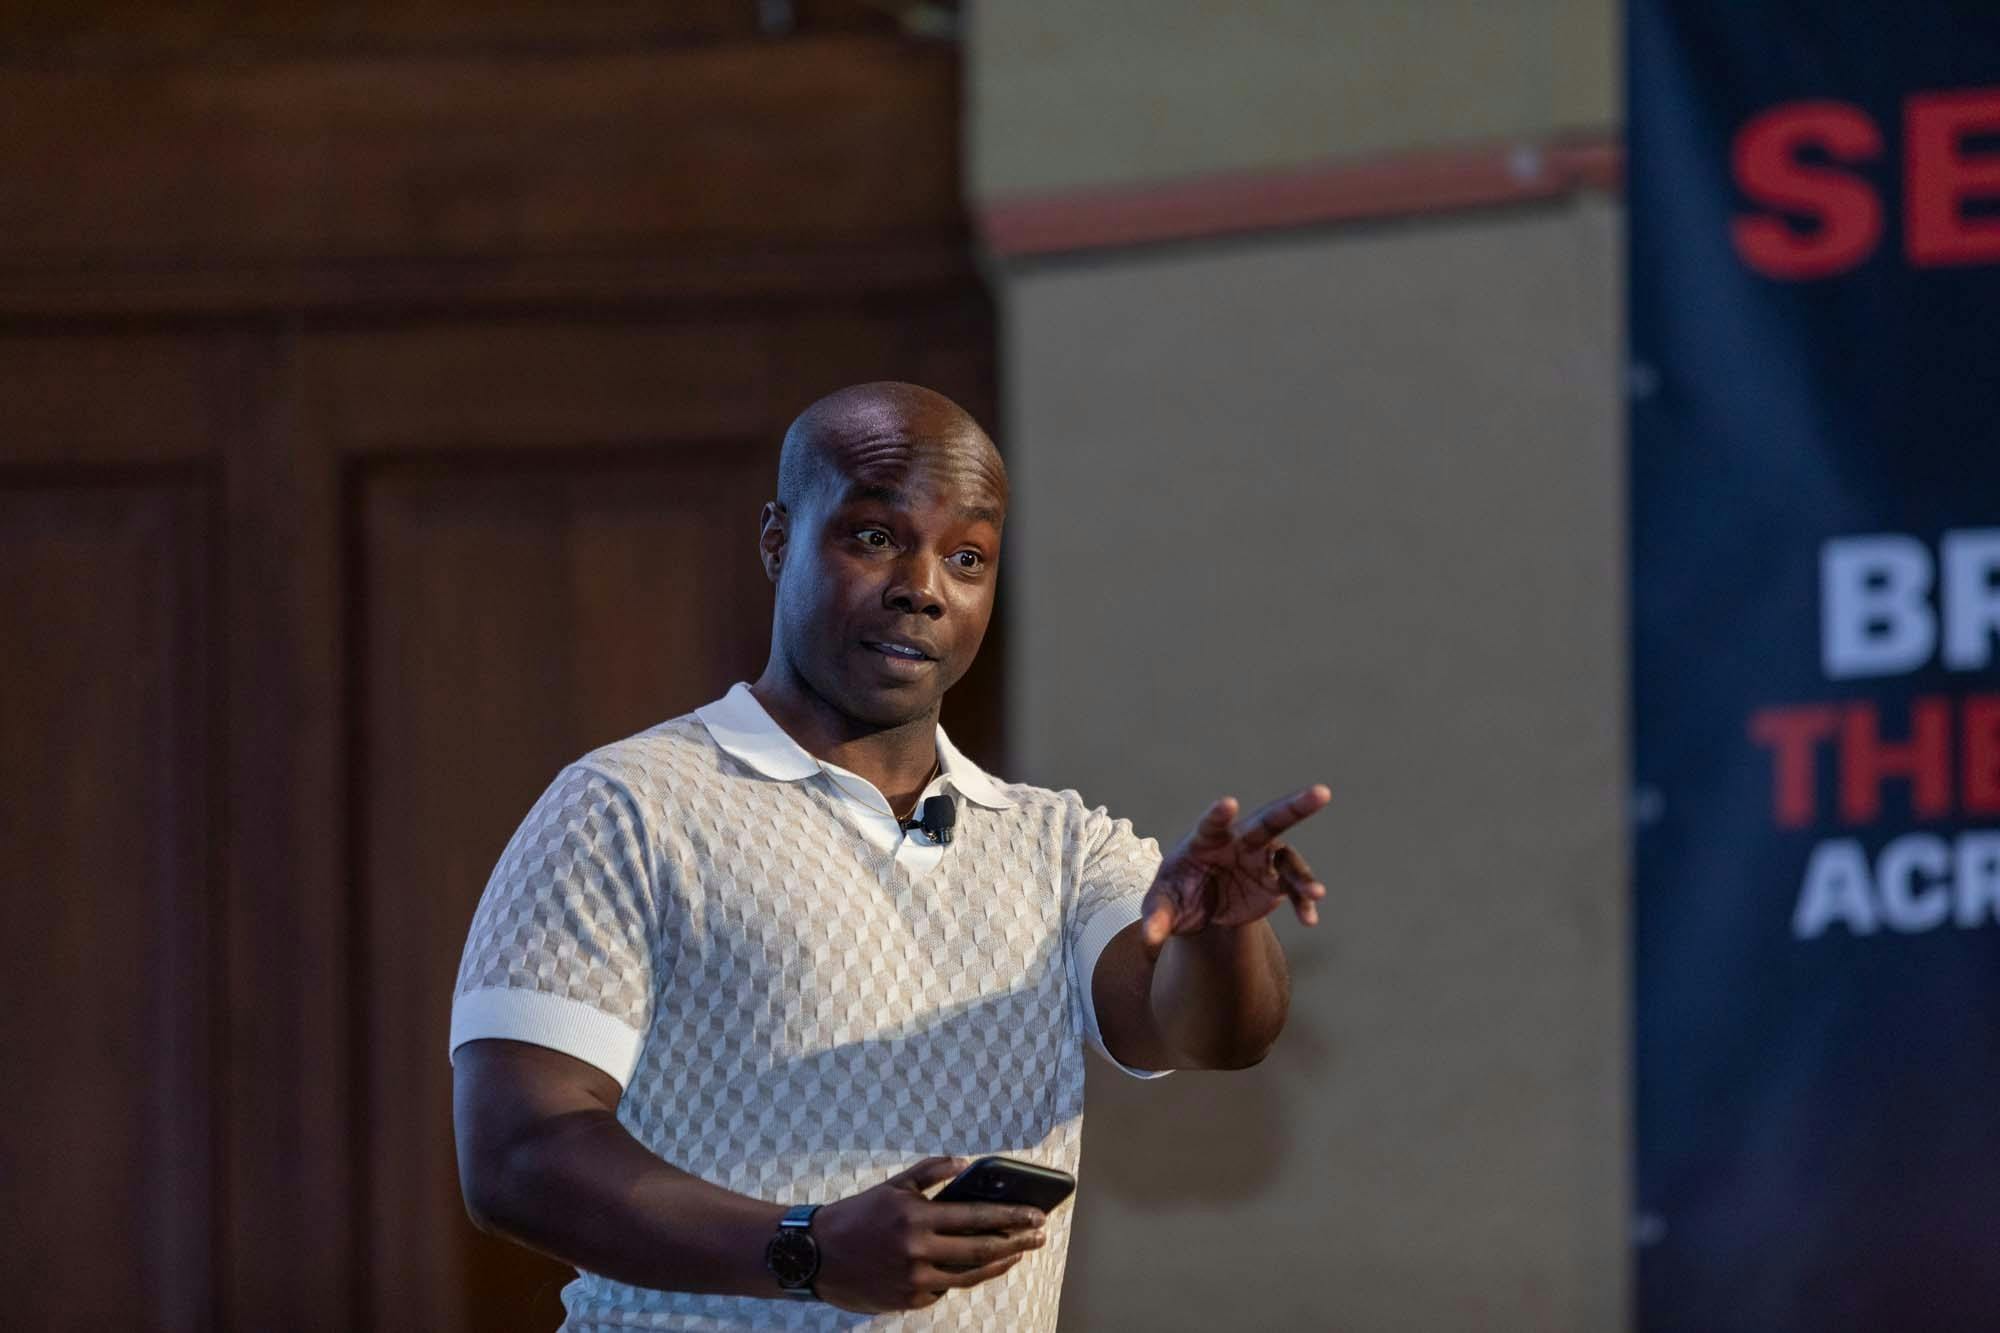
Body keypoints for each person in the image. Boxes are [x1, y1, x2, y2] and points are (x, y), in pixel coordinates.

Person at [449, 382, 1330, 1331]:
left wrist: (1223, 938)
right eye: (874, 537)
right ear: (778, 539)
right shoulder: (628, 805)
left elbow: (1205, 1032)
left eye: (967, 557)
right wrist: (808, 1247)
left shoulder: (1063, 843)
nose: (924, 586)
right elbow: (517, 1155)